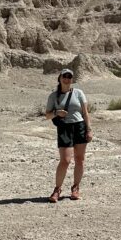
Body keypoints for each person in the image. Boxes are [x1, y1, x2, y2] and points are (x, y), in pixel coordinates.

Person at [44, 69, 93, 202]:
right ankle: (57, 189)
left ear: (72, 79)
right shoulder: (53, 96)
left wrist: (89, 129)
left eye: (69, 76)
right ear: (59, 78)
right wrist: (57, 112)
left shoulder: (78, 93)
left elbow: (85, 113)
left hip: (79, 126)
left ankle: (75, 188)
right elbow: (47, 115)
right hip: (64, 128)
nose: (67, 79)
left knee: (80, 159)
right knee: (65, 160)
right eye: (64, 76)